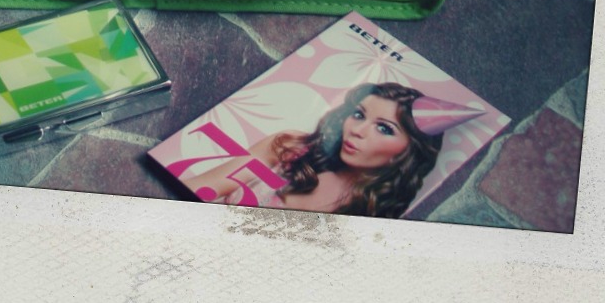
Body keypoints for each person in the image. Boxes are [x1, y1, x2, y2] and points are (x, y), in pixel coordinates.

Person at [191, 83, 448, 218]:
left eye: (384, 129)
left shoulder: (375, 216)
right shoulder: (292, 149)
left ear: (408, 152)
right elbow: (198, 187)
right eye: (359, 115)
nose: (357, 130)